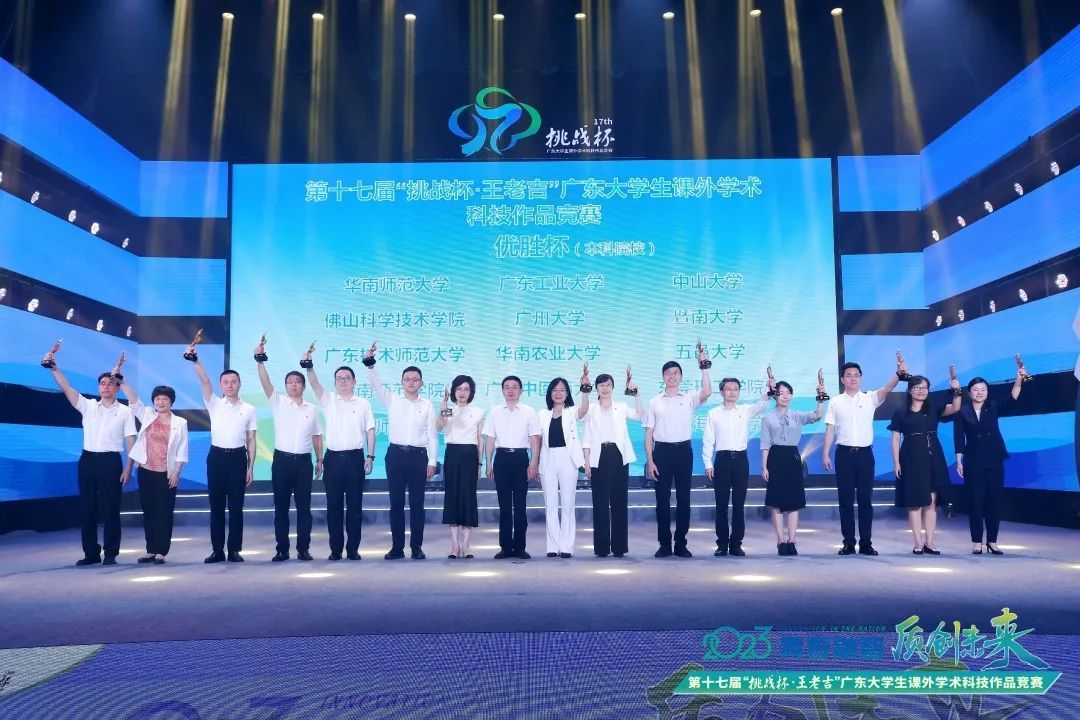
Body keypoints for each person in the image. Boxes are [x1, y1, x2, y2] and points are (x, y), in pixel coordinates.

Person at [44, 353, 135, 566]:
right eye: (102, 383)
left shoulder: (125, 412)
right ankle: (91, 553)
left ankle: (111, 552)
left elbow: (131, 441)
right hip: (87, 460)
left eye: (110, 383)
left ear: (117, 388)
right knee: (87, 508)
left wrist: (128, 468)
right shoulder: (88, 405)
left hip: (111, 461)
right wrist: (54, 368)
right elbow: (66, 387)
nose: (106, 387)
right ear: (98, 387)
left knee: (111, 508)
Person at [821, 356, 905, 556]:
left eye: (856, 375)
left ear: (861, 378)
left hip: (865, 455)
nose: (853, 378)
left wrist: (899, 373)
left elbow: (888, 388)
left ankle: (866, 543)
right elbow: (830, 430)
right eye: (848, 375)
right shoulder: (835, 402)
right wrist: (825, 453)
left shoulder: (870, 398)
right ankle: (848, 543)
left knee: (866, 501)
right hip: (844, 455)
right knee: (845, 502)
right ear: (842, 379)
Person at [366, 346, 437, 560]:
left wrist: (432, 461)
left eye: (415, 379)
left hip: (418, 457)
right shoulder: (393, 400)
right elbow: (376, 385)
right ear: (402, 382)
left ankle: (416, 547)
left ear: (421, 383)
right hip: (395, 455)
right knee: (396, 503)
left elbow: (432, 435)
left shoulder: (427, 405)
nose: (411, 382)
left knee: (417, 504)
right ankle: (397, 548)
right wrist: (371, 365)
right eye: (407, 379)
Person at [256, 342, 323, 562]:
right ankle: (282, 550)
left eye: (297, 382)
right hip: (282, 462)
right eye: (290, 382)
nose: (293, 385)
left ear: (303, 386)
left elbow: (317, 436)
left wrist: (319, 459)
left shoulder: (312, 409)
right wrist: (260, 361)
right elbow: (265, 382)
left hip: (304, 463)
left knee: (304, 508)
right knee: (281, 508)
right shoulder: (279, 402)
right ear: (285, 386)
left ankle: (303, 549)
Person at [643, 345, 712, 558]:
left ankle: (681, 543)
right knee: (662, 500)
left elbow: (707, 391)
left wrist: (704, 367)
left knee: (684, 499)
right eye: (668, 373)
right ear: (663, 377)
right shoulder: (655, 402)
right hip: (661, 453)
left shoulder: (688, 398)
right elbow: (648, 434)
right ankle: (664, 544)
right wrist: (650, 461)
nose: (672, 376)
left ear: (681, 377)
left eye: (675, 373)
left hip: (683, 451)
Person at [305, 356, 375, 561]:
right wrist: (309, 366)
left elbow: (370, 429)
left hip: (355, 458)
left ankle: (353, 549)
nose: (343, 381)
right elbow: (314, 384)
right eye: (339, 378)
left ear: (354, 381)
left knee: (355, 507)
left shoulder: (363, 403)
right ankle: (335, 549)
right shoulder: (328, 400)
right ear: (335, 382)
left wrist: (370, 455)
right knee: (333, 507)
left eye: (347, 378)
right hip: (333, 459)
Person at [191, 353, 257, 563]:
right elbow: (204, 380)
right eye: (226, 382)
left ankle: (234, 550)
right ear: (220, 385)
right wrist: (196, 361)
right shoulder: (214, 403)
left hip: (238, 458)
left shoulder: (249, 409)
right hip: (217, 458)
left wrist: (250, 467)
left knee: (236, 507)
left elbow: (251, 439)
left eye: (233, 381)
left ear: (239, 384)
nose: (230, 385)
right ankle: (217, 551)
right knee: (217, 507)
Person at [953, 370, 1024, 555]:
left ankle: (992, 541)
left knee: (994, 501)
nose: (979, 393)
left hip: (994, 458)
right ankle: (977, 541)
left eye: (983, 389)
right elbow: (958, 438)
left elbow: (1012, 398)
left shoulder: (993, 406)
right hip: (973, 460)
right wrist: (959, 461)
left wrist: (1018, 379)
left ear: (987, 392)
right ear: (969, 392)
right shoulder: (962, 411)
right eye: (976, 390)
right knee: (975, 501)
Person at [889, 374, 962, 555]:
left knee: (931, 501)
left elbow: (955, 407)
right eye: (917, 387)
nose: (921, 391)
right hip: (911, 457)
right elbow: (896, 438)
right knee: (915, 502)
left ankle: (930, 542)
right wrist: (896, 462)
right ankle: (917, 543)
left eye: (924, 388)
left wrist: (957, 391)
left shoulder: (933, 409)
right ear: (910, 390)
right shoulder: (900, 412)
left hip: (933, 456)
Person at [701, 376, 772, 557]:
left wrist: (768, 388)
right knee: (721, 505)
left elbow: (763, 404)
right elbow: (708, 440)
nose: (732, 392)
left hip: (741, 460)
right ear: (721, 392)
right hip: (722, 460)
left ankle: (736, 544)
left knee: (739, 505)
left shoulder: (745, 410)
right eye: (728, 389)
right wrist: (708, 463)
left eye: (735, 389)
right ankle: (722, 544)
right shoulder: (714, 413)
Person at [120, 381, 189, 565]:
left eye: (164, 399)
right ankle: (150, 550)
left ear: (171, 402)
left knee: (164, 512)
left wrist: (177, 472)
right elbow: (134, 401)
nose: (160, 402)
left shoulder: (180, 422)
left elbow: (182, 450)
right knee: (149, 510)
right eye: (157, 399)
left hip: (167, 473)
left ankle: (161, 551)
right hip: (145, 469)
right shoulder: (148, 414)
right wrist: (122, 382)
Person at [582, 371, 643, 558]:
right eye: (601, 385)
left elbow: (639, 414)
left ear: (613, 387)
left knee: (619, 502)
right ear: (596, 388)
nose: (605, 388)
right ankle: (601, 548)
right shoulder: (591, 409)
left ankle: (619, 547)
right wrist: (586, 462)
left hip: (618, 456)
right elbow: (587, 438)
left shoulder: (621, 406)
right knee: (600, 504)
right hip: (598, 457)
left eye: (608, 384)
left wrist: (636, 394)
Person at [760, 380, 825, 556]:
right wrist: (764, 467)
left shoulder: (797, 416)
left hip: (792, 459)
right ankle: (781, 541)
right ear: (775, 396)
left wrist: (821, 397)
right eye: (781, 393)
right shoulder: (767, 418)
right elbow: (765, 444)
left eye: (788, 392)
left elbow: (818, 415)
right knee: (776, 502)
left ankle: (792, 541)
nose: (785, 396)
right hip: (775, 458)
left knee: (794, 503)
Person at [483, 375, 542, 559]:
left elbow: (534, 439)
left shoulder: (529, 411)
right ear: (502, 391)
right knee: (504, 506)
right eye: (507, 387)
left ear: (521, 390)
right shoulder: (494, 412)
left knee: (520, 505)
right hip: (501, 458)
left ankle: (520, 547)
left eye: (514, 387)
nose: (510, 390)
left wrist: (534, 462)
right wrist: (488, 462)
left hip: (520, 459)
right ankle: (506, 547)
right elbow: (490, 439)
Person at [538, 369, 590, 558]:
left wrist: (584, 389)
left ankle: (567, 546)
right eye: (555, 390)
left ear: (567, 393)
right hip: (548, 459)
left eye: (562, 390)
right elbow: (538, 440)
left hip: (568, 459)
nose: (558, 393)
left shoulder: (571, 411)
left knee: (568, 504)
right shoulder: (542, 414)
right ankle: (552, 546)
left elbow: (584, 409)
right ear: (550, 393)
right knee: (550, 505)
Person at [437, 375, 484, 559]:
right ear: (453, 392)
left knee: (468, 497)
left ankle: (466, 545)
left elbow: (480, 439)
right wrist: (442, 411)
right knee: (453, 497)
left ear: (471, 392)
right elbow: (439, 427)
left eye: (466, 389)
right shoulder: (449, 410)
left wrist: (480, 463)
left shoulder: (478, 411)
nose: (462, 392)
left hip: (470, 455)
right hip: (452, 455)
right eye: (459, 389)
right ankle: (454, 546)